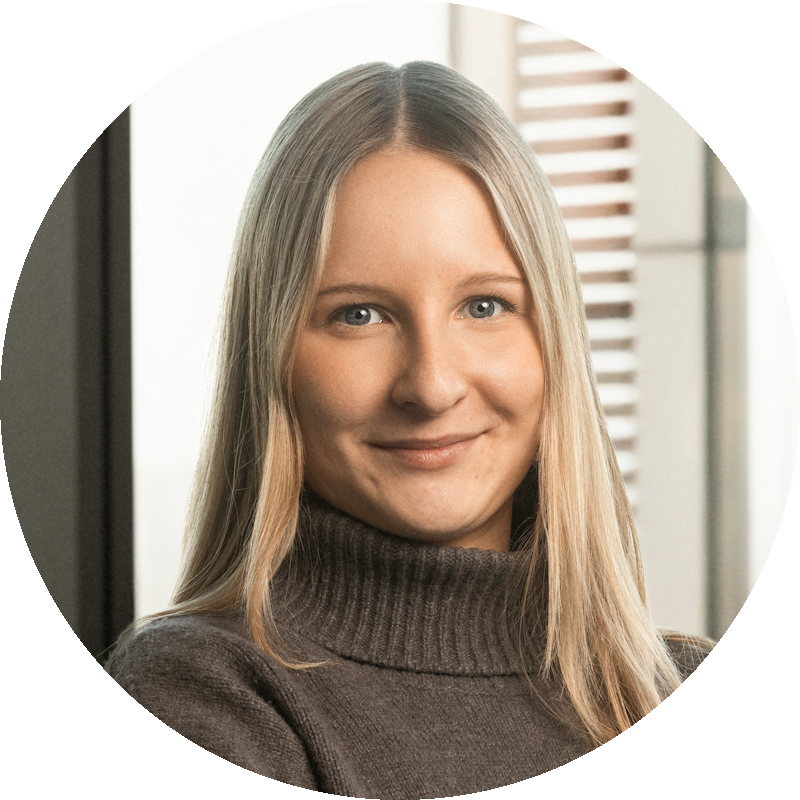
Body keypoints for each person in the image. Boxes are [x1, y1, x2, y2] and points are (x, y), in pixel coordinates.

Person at [108, 61, 712, 797]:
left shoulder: (687, 691)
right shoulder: (202, 699)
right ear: (273, 359)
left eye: (485, 306)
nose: (431, 386)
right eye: (359, 315)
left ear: (556, 342)